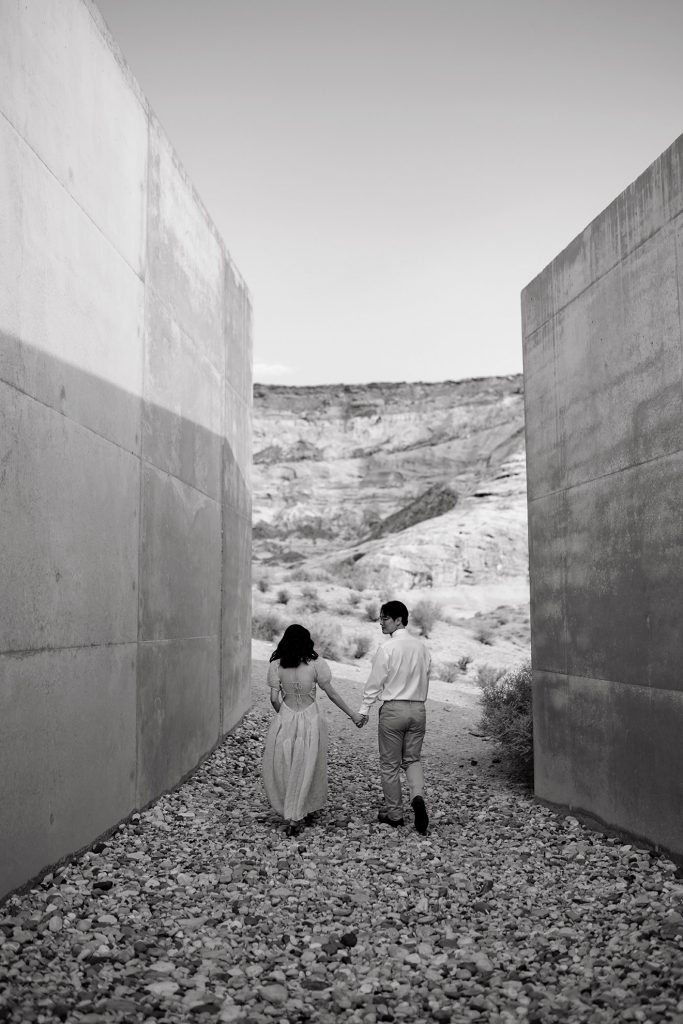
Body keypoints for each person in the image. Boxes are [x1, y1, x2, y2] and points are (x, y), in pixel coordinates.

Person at [262, 623, 364, 836]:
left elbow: (273, 698)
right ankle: (300, 810)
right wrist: (353, 714)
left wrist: (284, 715)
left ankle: (290, 811)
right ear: (307, 641)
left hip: (286, 718)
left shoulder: (277, 665)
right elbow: (332, 694)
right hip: (310, 719)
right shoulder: (317, 664)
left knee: (286, 764)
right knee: (308, 763)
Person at [356, 600, 431, 834]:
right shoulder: (422, 648)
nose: (380, 622)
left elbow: (375, 683)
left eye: (385, 618)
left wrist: (363, 710)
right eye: (379, 618)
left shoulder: (387, 649)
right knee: (412, 759)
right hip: (418, 710)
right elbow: (426, 676)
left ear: (399, 620)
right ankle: (417, 796)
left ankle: (395, 815)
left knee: (389, 764)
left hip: (393, 710)